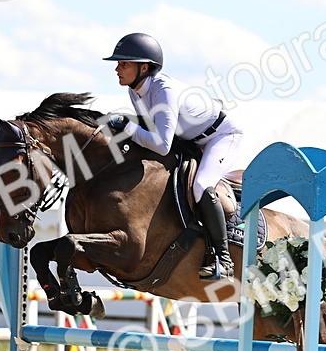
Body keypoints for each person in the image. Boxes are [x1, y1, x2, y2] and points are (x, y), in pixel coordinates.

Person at [102, 33, 241, 281]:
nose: (117, 68)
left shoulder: (163, 90)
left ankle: (223, 259)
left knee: (200, 186)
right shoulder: (135, 90)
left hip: (220, 137)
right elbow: (149, 130)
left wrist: (127, 126)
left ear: (143, 67)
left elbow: (162, 144)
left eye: (124, 64)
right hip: (189, 140)